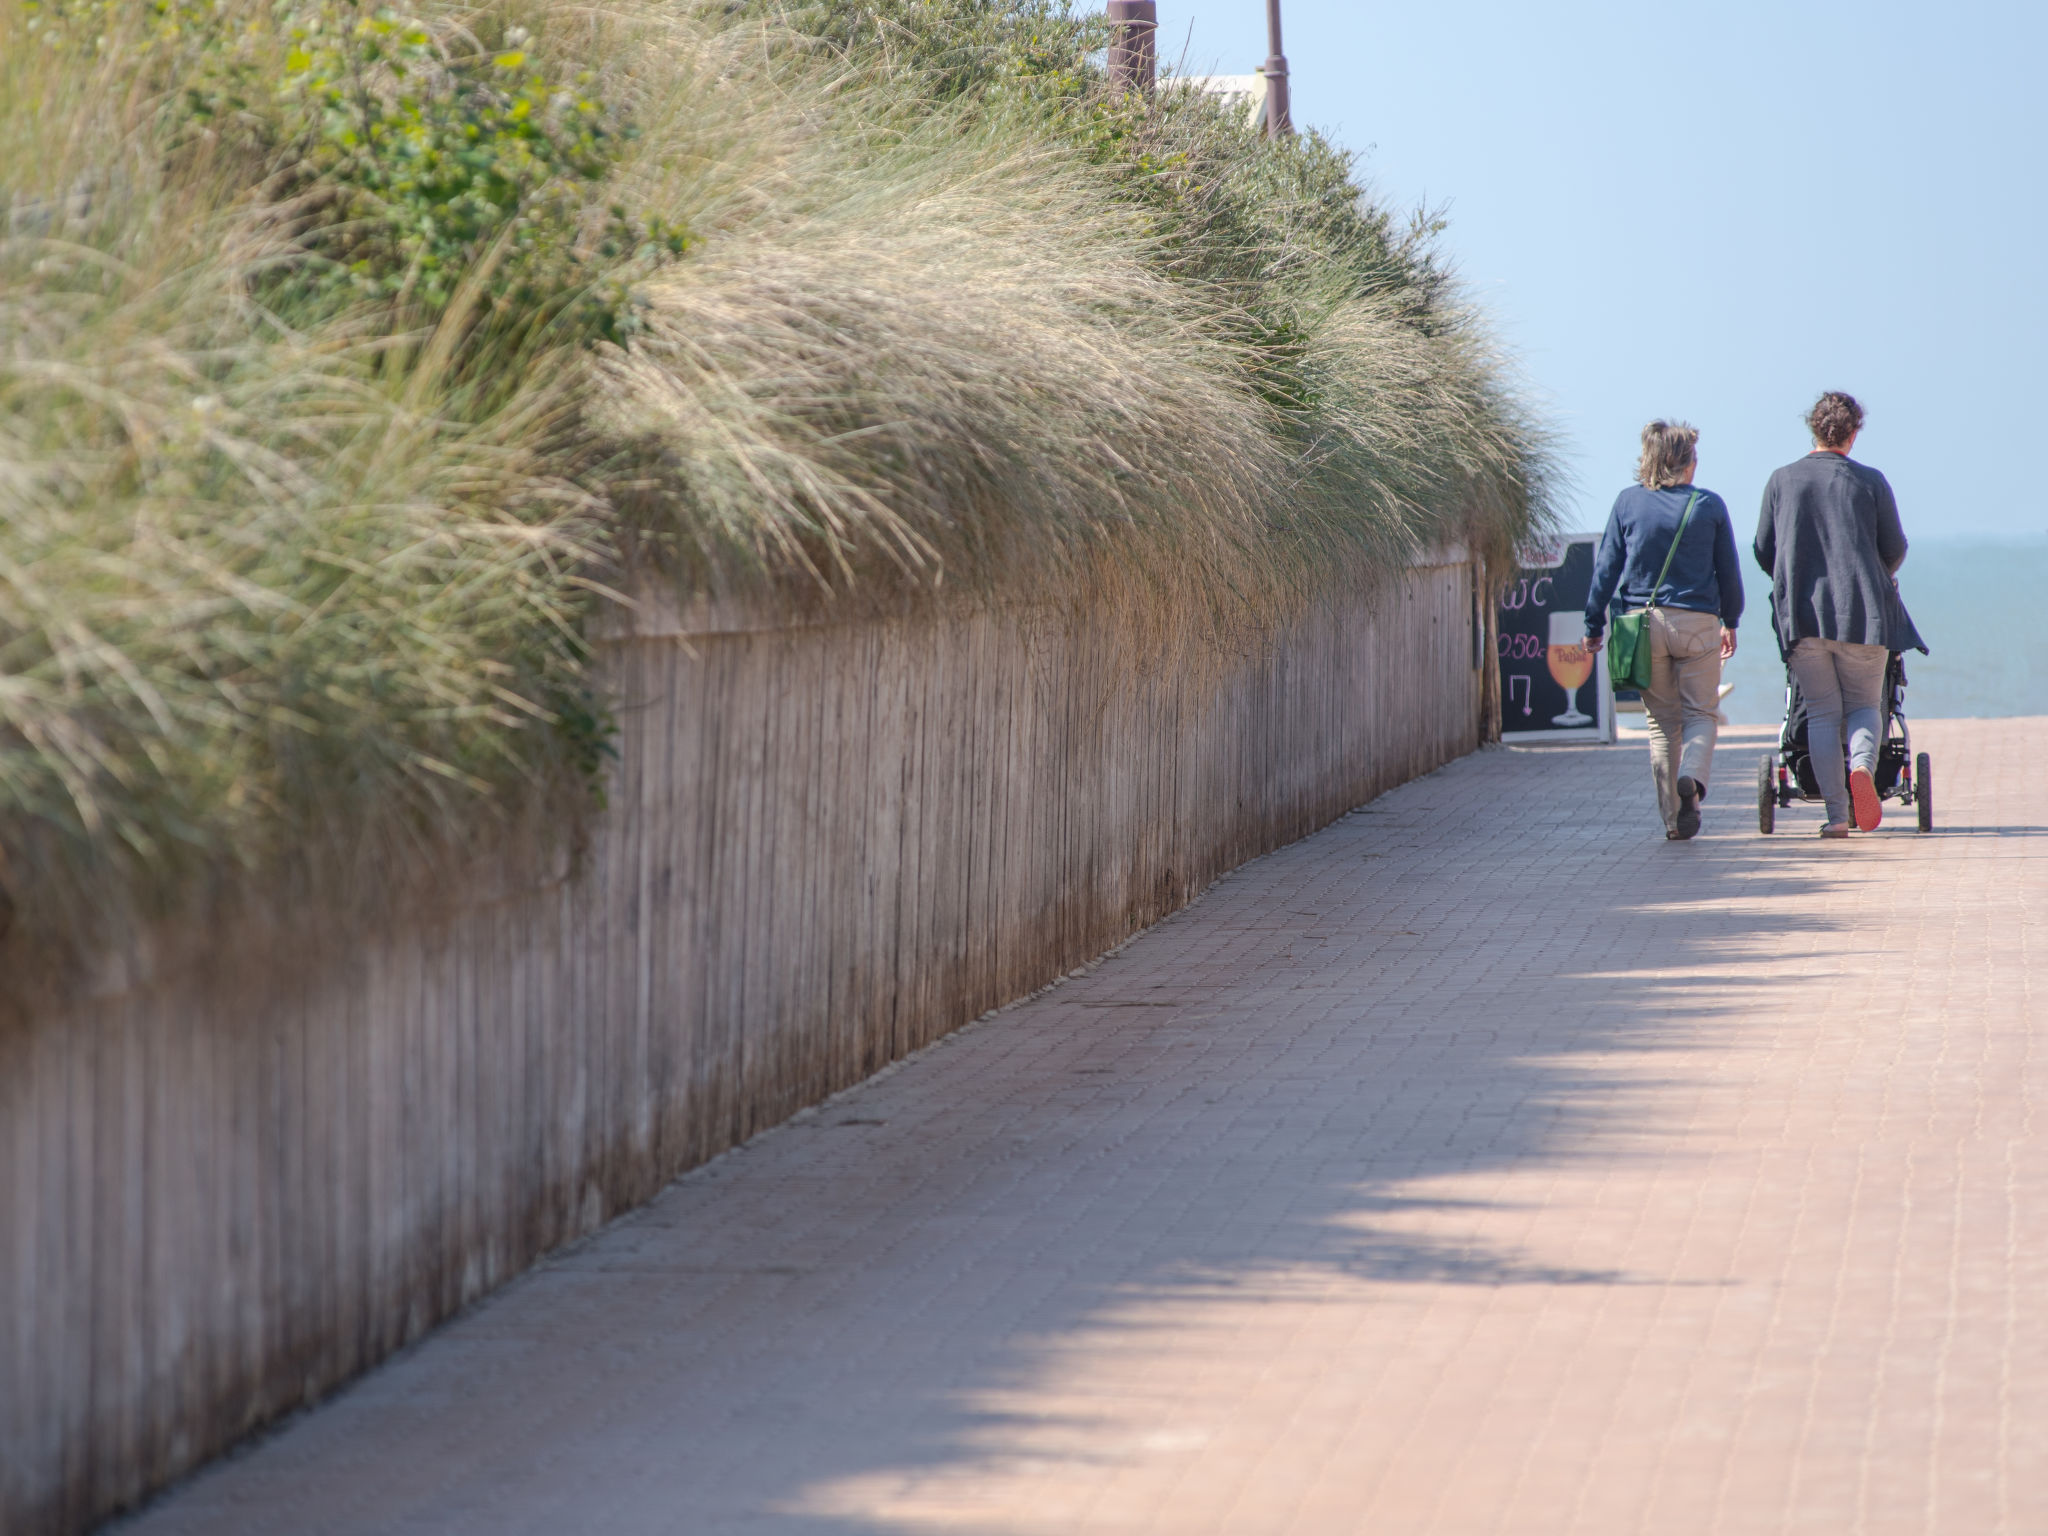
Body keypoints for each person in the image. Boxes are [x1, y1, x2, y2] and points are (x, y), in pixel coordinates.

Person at [1754, 391, 1925, 837]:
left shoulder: (1781, 480)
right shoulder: (1870, 481)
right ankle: (1863, 770)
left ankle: (1835, 816)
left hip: (1803, 620)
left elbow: (1763, 549)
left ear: (1813, 428)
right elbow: (1895, 548)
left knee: (1824, 713)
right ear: (1852, 434)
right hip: (1864, 615)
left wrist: (1793, 573)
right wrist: (1874, 574)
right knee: (1866, 705)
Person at [1583, 421, 1745, 840]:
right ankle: (1692, 778)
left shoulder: (1627, 503)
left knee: (1661, 724)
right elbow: (1729, 573)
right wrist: (1732, 620)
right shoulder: (1708, 505)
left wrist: (1592, 624)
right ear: (1687, 462)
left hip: (1642, 627)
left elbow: (1606, 570)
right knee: (1700, 714)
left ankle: (1674, 822)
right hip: (1697, 623)